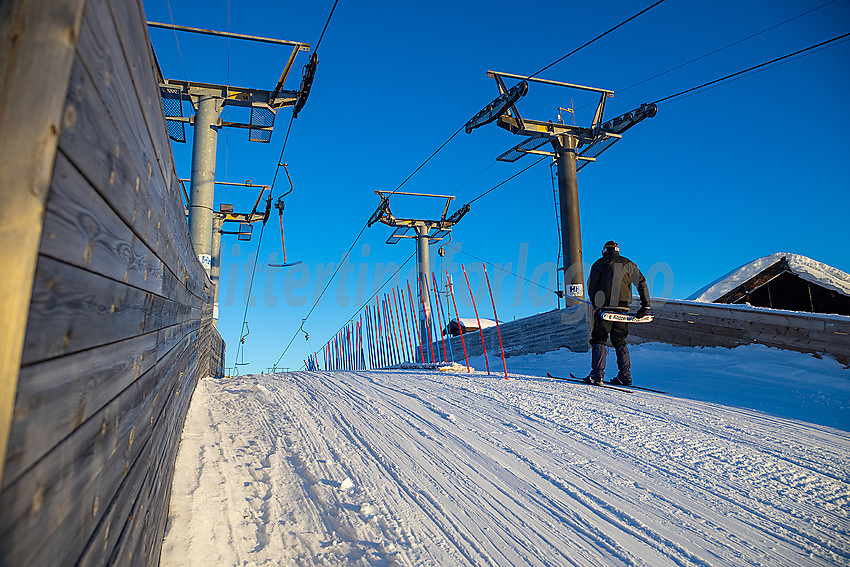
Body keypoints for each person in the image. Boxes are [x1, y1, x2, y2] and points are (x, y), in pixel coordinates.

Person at [585, 241, 651, 386]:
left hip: (604, 308)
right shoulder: (629, 264)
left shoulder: (599, 263)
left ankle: (597, 375)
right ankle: (625, 376)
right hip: (623, 309)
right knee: (620, 340)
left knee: (599, 339)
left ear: (604, 251)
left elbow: (592, 287)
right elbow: (642, 284)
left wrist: (596, 304)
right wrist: (645, 306)